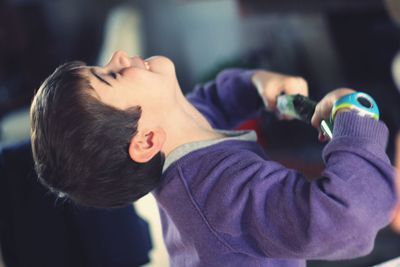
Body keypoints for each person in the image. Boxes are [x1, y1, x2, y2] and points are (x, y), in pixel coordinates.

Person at [30, 50, 396, 266]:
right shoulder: (225, 195)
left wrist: (257, 85)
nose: (120, 57)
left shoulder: (176, 142)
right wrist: (355, 118)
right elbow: (349, 217)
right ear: (146, 141)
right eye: (111, 76)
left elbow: (206, 105)